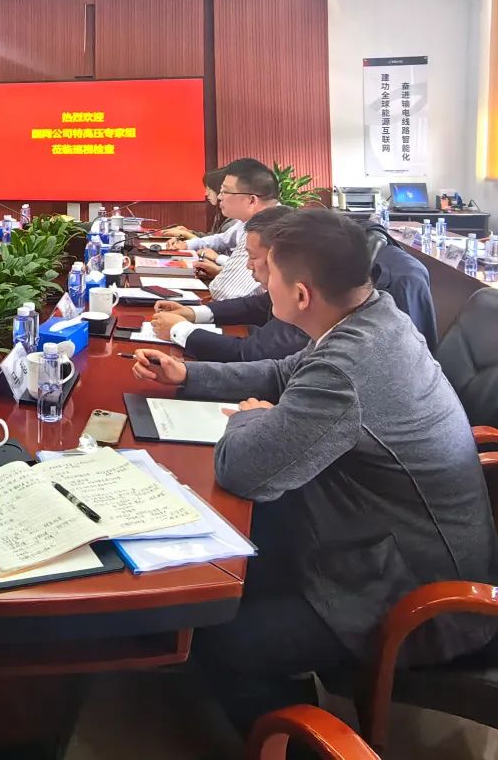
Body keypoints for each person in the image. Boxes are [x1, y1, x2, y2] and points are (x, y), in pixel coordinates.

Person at [129, 211, 498, 743]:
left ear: (301, 294)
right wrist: (189, 374)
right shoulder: (374, 315)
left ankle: (298, 743)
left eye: (269, 275)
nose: (261, 283)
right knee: (235, 561)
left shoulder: (347, 368)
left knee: (219, 636)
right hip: (384, 539)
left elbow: (243, 470)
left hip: (413, 596)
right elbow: (287, 372)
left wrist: (253, 419)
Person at [151, 206, 307, 362]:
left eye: (253, 257)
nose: (248, 265)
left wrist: (179, 330)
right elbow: (255, 306)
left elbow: (250, 354)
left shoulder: (306, 304)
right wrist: (191, 313)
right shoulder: (289, 289)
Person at [197, 158, 280, 300]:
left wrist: (220, 275)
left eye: (225, 191)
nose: (219, 197)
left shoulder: (265, 228)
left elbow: (224, 292)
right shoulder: (267, 218)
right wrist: (221, 272)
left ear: (251, 200)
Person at [160, 166, 229, 241]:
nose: (206, 194)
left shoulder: (233, 221)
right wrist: (190, 232)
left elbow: (216, 246)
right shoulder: (220, 214)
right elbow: (212, 238)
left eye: (209, 189)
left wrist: (186, 234)